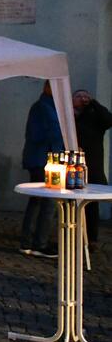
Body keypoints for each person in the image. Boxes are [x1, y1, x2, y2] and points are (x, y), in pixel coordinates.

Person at [21, 81, 63, 257]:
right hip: (44, 160)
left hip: (46, 158)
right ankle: (38, 242)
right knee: (46, 201)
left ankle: (31, 241)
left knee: (39, 201)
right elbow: (41, 134)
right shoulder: (42, 107)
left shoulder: (49, 106)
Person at [74, 88, 112, 242]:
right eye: (78, 96)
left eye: (85, 95)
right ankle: (74, 236)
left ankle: (90, 239)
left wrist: (94, 102)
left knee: (90, 206)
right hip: (73, 167)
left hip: (93, 167)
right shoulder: (70, 114)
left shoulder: (95, 115)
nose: (83, 98)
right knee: (72, 204)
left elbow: (109, 120)